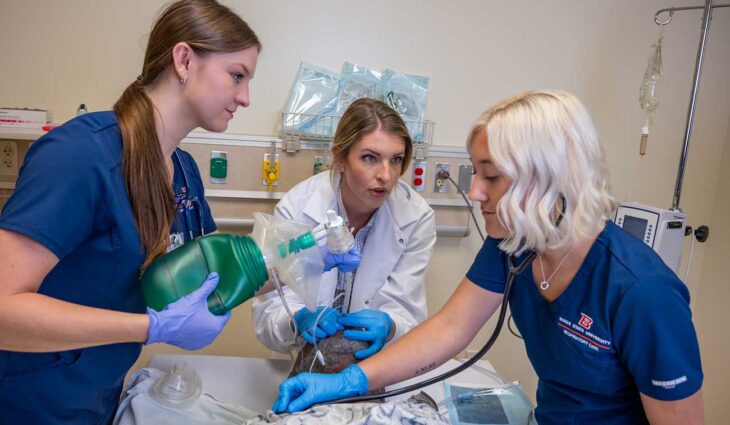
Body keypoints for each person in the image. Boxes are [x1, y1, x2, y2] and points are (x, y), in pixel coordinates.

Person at [271, 91, 705, 424]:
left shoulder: (643, 293)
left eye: (491, 176)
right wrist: (345, 382)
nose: (475, 192)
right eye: (476, 173)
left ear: (547, 177)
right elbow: (449, 330)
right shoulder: (513, 244)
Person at [0, 1, 262, 423]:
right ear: (184, 59)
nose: (246, 98)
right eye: (237, 76)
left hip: (98, 396)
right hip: (32, 403)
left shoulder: (182, 171)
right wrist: (149, 328)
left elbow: (210, 268)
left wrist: (297, 259)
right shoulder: (81, 157)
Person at [253, 98, 437, 360]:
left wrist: (390, 326)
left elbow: (407, 311)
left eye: (396, 160)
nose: (386, 175)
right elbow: (269, 314)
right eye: (370, 158)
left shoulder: (416, 217)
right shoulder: (296, 208)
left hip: (379, 367)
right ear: (340, 157)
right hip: (308, 364)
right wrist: (297, 320)